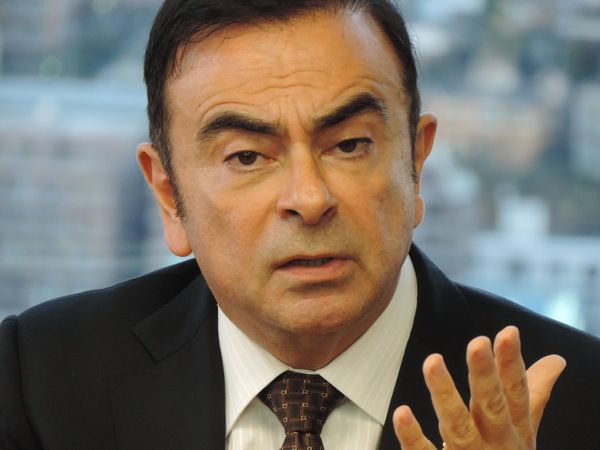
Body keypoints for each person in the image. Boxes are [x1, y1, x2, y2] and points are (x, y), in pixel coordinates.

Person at [1, 1, 599, 449]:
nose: (309, 199)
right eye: (246, 156)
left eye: (349, 145)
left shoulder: (581, 403)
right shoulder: (39, 382)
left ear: (416, 163)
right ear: (169, 195)